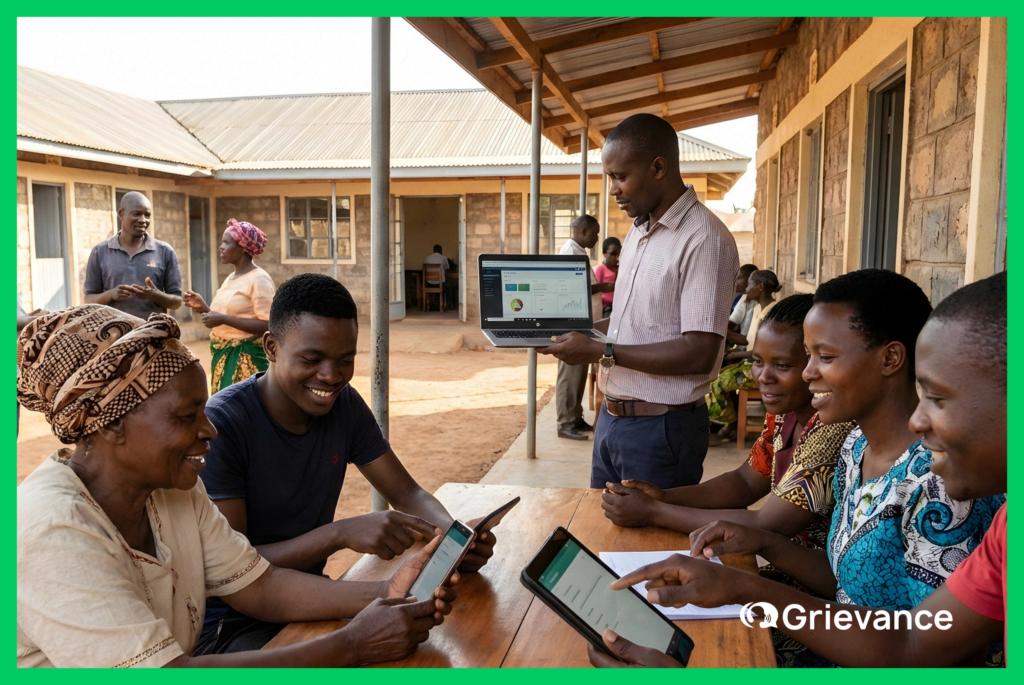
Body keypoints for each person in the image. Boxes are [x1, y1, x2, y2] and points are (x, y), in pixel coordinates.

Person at [587, 271, 1008, 669]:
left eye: (825, 357)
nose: (808, 373)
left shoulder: (943, 481)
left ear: (891, 358)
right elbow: (847, 585)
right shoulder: (856, 447)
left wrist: (747, 587)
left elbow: (919, 647)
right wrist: (764, 547)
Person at [16, 305, 457, 667]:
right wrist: (352, 644)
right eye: (186, 416)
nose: (209, 429)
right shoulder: (52, 529)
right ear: (111, 425)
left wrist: (388, 592)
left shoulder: (174, 491)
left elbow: (261, 587)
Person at [196, 273, 497, 653]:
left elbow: (406, 492)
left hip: (306, 601)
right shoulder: (223, 425)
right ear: (271, 347)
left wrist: (454, 540)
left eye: (346, 360)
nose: (331, 376)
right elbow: (235, 569)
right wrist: (339, 534)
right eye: (312, 359)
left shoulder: (344, 406)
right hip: (230, 627)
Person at [541, 113, 739, 489]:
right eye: (609, 177)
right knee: (602, 524)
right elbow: (628, 322)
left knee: (648, 530)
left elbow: (699, 352)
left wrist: (601, 351)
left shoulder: (704, 240)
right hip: (613, 418)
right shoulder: (639, 231)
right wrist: (573, 333)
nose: (613, 190)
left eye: (620, 177)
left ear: (658, 168)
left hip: (661, 429)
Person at [601, 294, 853, 547]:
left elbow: (771, 524)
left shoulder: (830, 429)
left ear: (815, 365)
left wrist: (654, 512)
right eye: (757, 361)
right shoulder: (784, 415)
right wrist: (664, 497)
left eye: (782, 365)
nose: (763, 377)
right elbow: (746, 482)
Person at [183, 219, 275, 394]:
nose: (221, 247)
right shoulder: (231, 278)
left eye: (226, 243)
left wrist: (224, 319)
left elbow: (269, 324)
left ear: (242, 248)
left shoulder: (259, 279)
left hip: (246, 361)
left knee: (241, 407)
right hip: (222, 356)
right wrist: (204, 308)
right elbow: (227, 317)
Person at [555, 214, 614, 441]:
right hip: (572, 322)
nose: (597, 238)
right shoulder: (571, 253)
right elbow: (575, 289)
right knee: (569, 375)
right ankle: (565, 423)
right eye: (595, 234)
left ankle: (575, 417)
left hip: (582, 323)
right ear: (583, 232)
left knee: (578, 373)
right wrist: (605, 286)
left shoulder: (578, 252)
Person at [83, 191, 183, 319]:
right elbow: (89, 299)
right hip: (113, 330)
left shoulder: (165, 252)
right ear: (121, 214)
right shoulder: (100, 252)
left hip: (152, 329)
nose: (143, 220)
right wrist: (111, 295)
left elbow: (176, 302)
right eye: (136, 214)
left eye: (147, 215)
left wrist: (155, 295)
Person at [707, 269, 782, 434]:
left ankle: (731, 422)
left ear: (760, 287)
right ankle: (734, 425)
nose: (746, 289)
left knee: (718, 382)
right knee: (718, 373)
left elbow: (765, 351)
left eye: (749, 285)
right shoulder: (758, 308)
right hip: (752, 364)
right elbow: (749, 341)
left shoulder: (772, 313)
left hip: (764, 369)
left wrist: (734, 355)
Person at [727, 263, 759, 344]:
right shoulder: (743, 298)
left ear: (749, 279)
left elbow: (730, 324)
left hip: (745, 345)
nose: (735, 282)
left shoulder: (746, 299)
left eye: (738, 278)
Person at [593, 237, 621, 319]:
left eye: (619, 254)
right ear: (604, 254)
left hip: (620, 306)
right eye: (613, 254)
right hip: (606, 308)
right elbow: (596, 291)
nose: (617, 257)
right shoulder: (600, 269)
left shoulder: (622, 269)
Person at [422, 244, 456, 309]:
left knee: (447, 283)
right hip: (441, 283)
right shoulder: (443, 258)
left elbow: (423, 269)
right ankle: (449, 304)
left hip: (429, 282)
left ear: (433, 250)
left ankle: (430, 304)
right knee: (451, 284)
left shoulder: (427, 258)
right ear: (441, 250)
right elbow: (447, 268)